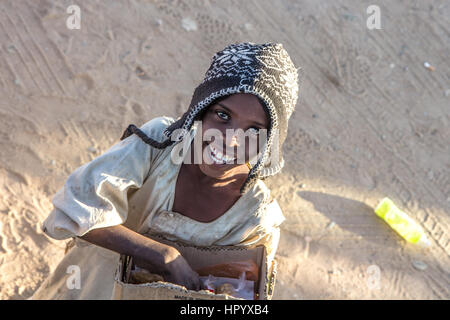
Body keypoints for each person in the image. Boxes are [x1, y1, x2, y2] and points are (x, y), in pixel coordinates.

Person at [30, 42, 299, 299]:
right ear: (201, 110)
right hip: (89, 286)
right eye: (223, 116)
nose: (230, 140)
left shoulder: (255, 219)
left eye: (253, 130)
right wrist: (159, 254)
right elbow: (75, 207)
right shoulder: (160, 144)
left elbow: (243, 291)